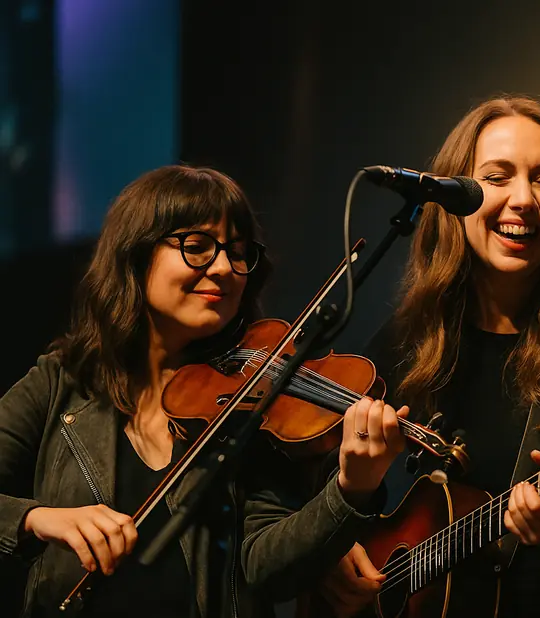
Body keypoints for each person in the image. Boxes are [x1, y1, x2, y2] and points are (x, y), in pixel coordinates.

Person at [0, 165, 405, 618]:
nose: (224, 269)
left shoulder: (253, 402)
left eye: (238, 253)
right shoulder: (62, 382)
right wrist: (40, 519)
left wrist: (352, 489)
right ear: (135, 255)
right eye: (196, 248)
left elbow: (266, 567)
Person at [319, 95, 540, 617]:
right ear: (453, 199)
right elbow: (323, 472)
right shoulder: (414, 335)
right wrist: (336, 539)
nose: (523, 199)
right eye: (497, 177)